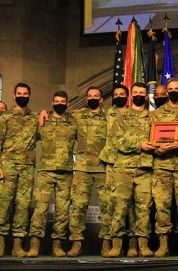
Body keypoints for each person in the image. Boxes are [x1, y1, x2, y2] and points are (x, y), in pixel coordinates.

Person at [0, 82, 39, 257]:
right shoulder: (4, 118)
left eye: (25, 93)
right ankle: (0, 244)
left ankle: (18, 245)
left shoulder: (35, 118)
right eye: (19, 93)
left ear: (29, 96)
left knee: (23, 206)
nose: (22, 95)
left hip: (26, 168)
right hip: (7, 167)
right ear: (13, 95)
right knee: (2, 205)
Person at [107, 82, 155, 258]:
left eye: (142, 92)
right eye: (135, 92)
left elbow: (159, 138)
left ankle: (140, 245)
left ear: (146, 95)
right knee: (120, 207)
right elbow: (116, 141)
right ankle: (116, 245)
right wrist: (138, 145)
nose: (139, 95)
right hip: (123, 168)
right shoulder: (121, 117)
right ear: (130, 95)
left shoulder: (152, 118)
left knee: (143, 208)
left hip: (144, 168)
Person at [27, 91, 77, 257]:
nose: (59, 103)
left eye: (63, 101)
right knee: (40, 210)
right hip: (45, 171)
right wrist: (41, 112)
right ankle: (34, 245)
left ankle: (58, 245)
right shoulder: (42, 120)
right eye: (56, 101)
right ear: (51, 102)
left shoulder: (73, 121)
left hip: (66, 172)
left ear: (67, 103)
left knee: (63, 211)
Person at [150, 78, 178, 257]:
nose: (174, 91)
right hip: (162, 167)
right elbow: (149, 139)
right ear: (167, 92)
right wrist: (158, 149)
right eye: (171, 89)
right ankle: (163, 244)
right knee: (162, 207)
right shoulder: (156, 114)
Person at [68, 87, 109, 256]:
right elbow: (58, 114)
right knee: (78, 206)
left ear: (101, 100)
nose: (92, 98)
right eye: (89, 96)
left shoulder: (109, 116)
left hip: (103, 167)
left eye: (96, 96)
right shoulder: (78, 116)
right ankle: (76, 243)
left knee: (107, 206)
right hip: (83, 167)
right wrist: (43, 112)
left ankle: (107, 242)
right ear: (86, 99)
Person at [98, 85, 132, 256]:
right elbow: (82, 113)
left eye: (122, 94)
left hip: (129, 162)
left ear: (128, 96)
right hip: (110, 162)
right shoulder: (106, 113)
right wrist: (45, 112)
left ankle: (132, 244)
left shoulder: (134, 114)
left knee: (130, 205)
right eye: (116, 94)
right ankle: (108, 241)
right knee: (109, 203)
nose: (119, 97)